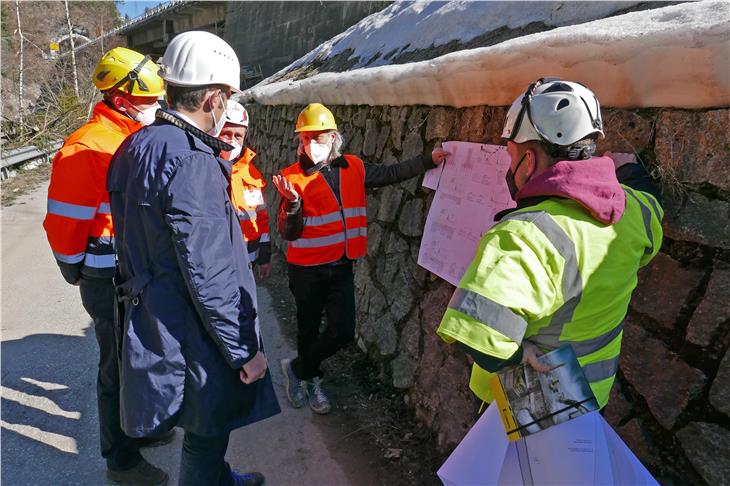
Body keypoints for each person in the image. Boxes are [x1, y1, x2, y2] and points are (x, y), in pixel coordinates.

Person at [106, 31, 279, 486]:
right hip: (194, 325)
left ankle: (220, 478)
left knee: (202, 420)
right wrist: (246, 350)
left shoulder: (137, 145)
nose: (226, 107)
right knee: (207, 427)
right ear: (213, 97)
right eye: (227, 97)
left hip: (156, 313)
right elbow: (210, 270)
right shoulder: (193, 159)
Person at [436, 78, 664, 412]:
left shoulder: (523, 235)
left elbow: (479, 335)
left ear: (528, 160)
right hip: (590, 396)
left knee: (504, 467)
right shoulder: (635, 210)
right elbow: (653, 201)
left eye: (510, 156)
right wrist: (628, 169)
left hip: (523, 405)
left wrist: (517, 356)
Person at [43, 47, 169, 485]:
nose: (157, 107)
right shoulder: (89, 147)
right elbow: (65, 221)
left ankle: (139, 428)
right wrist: (72, 269)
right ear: (121, 99)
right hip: (107, 274)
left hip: (135, 271)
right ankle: (121, 461)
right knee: (117, 367)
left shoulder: (131, 137)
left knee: (139, 358)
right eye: (150, 101)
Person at [273, 102, 448, 414]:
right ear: (299, 141)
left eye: (320, 137)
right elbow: (288, 231)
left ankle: (298, 368)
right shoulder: (290, 178)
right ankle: (312, 380)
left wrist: (427, 160)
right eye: (306, 138)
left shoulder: (353, 166)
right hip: (306, 269)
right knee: (308, 328)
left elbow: (391, 173)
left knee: (342, 331)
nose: (312, 144)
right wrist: (294, 203)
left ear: (334, 138)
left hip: (341, 265)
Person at [218, 100, 272, 280]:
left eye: (237, 136)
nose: (231, 140)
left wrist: (264, 256)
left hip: (249, 262)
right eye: (226, 133)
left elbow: (261, 217)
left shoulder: (252, 174)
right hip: (217, 265)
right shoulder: (203, 169)